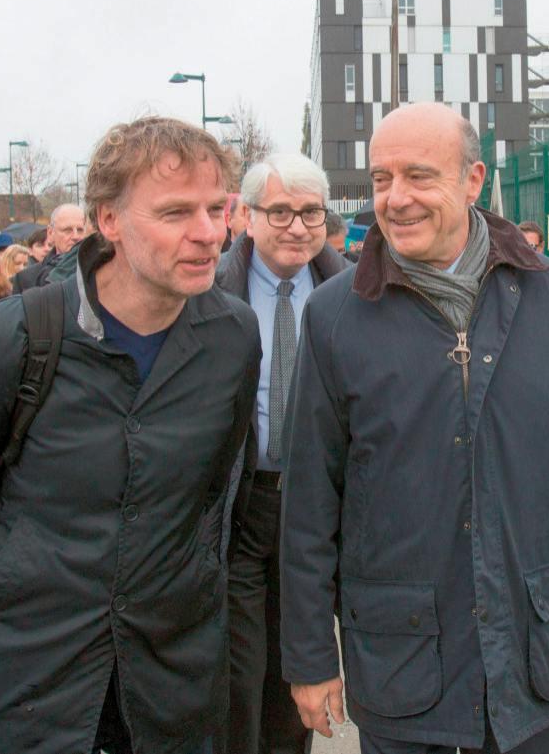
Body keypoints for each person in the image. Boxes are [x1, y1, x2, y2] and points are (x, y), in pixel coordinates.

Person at [281, 104, 549, 754]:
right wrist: (308, 655)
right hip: (403, 657)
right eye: (382, 178)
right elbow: (308, 500)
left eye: (419, 175)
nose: (397, 197)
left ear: (473, 181)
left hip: (533, 644)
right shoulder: (334, 316)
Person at [0, 117, 261, 754]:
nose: (209, 233)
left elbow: (220, 492)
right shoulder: (12, 340)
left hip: (174, 683)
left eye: (218, 207)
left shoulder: (233, 336)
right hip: (36, 684)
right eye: (176, 211)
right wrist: (14, 594)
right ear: (109, 221)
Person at [214, 154, 348, 754]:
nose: (297, 227)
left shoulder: (354, 292)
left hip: (323, 511)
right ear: (246, 216)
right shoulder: (211, 290)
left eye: (310, 212)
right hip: (243, 506)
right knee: (240, 673)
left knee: (304, 669)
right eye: (280, 212)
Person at [11, 203, 86, 293]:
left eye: (80, 230)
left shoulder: (98, 273)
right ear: (50, 232)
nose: (76, 236)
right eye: (67, 230)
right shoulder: (26, 279)